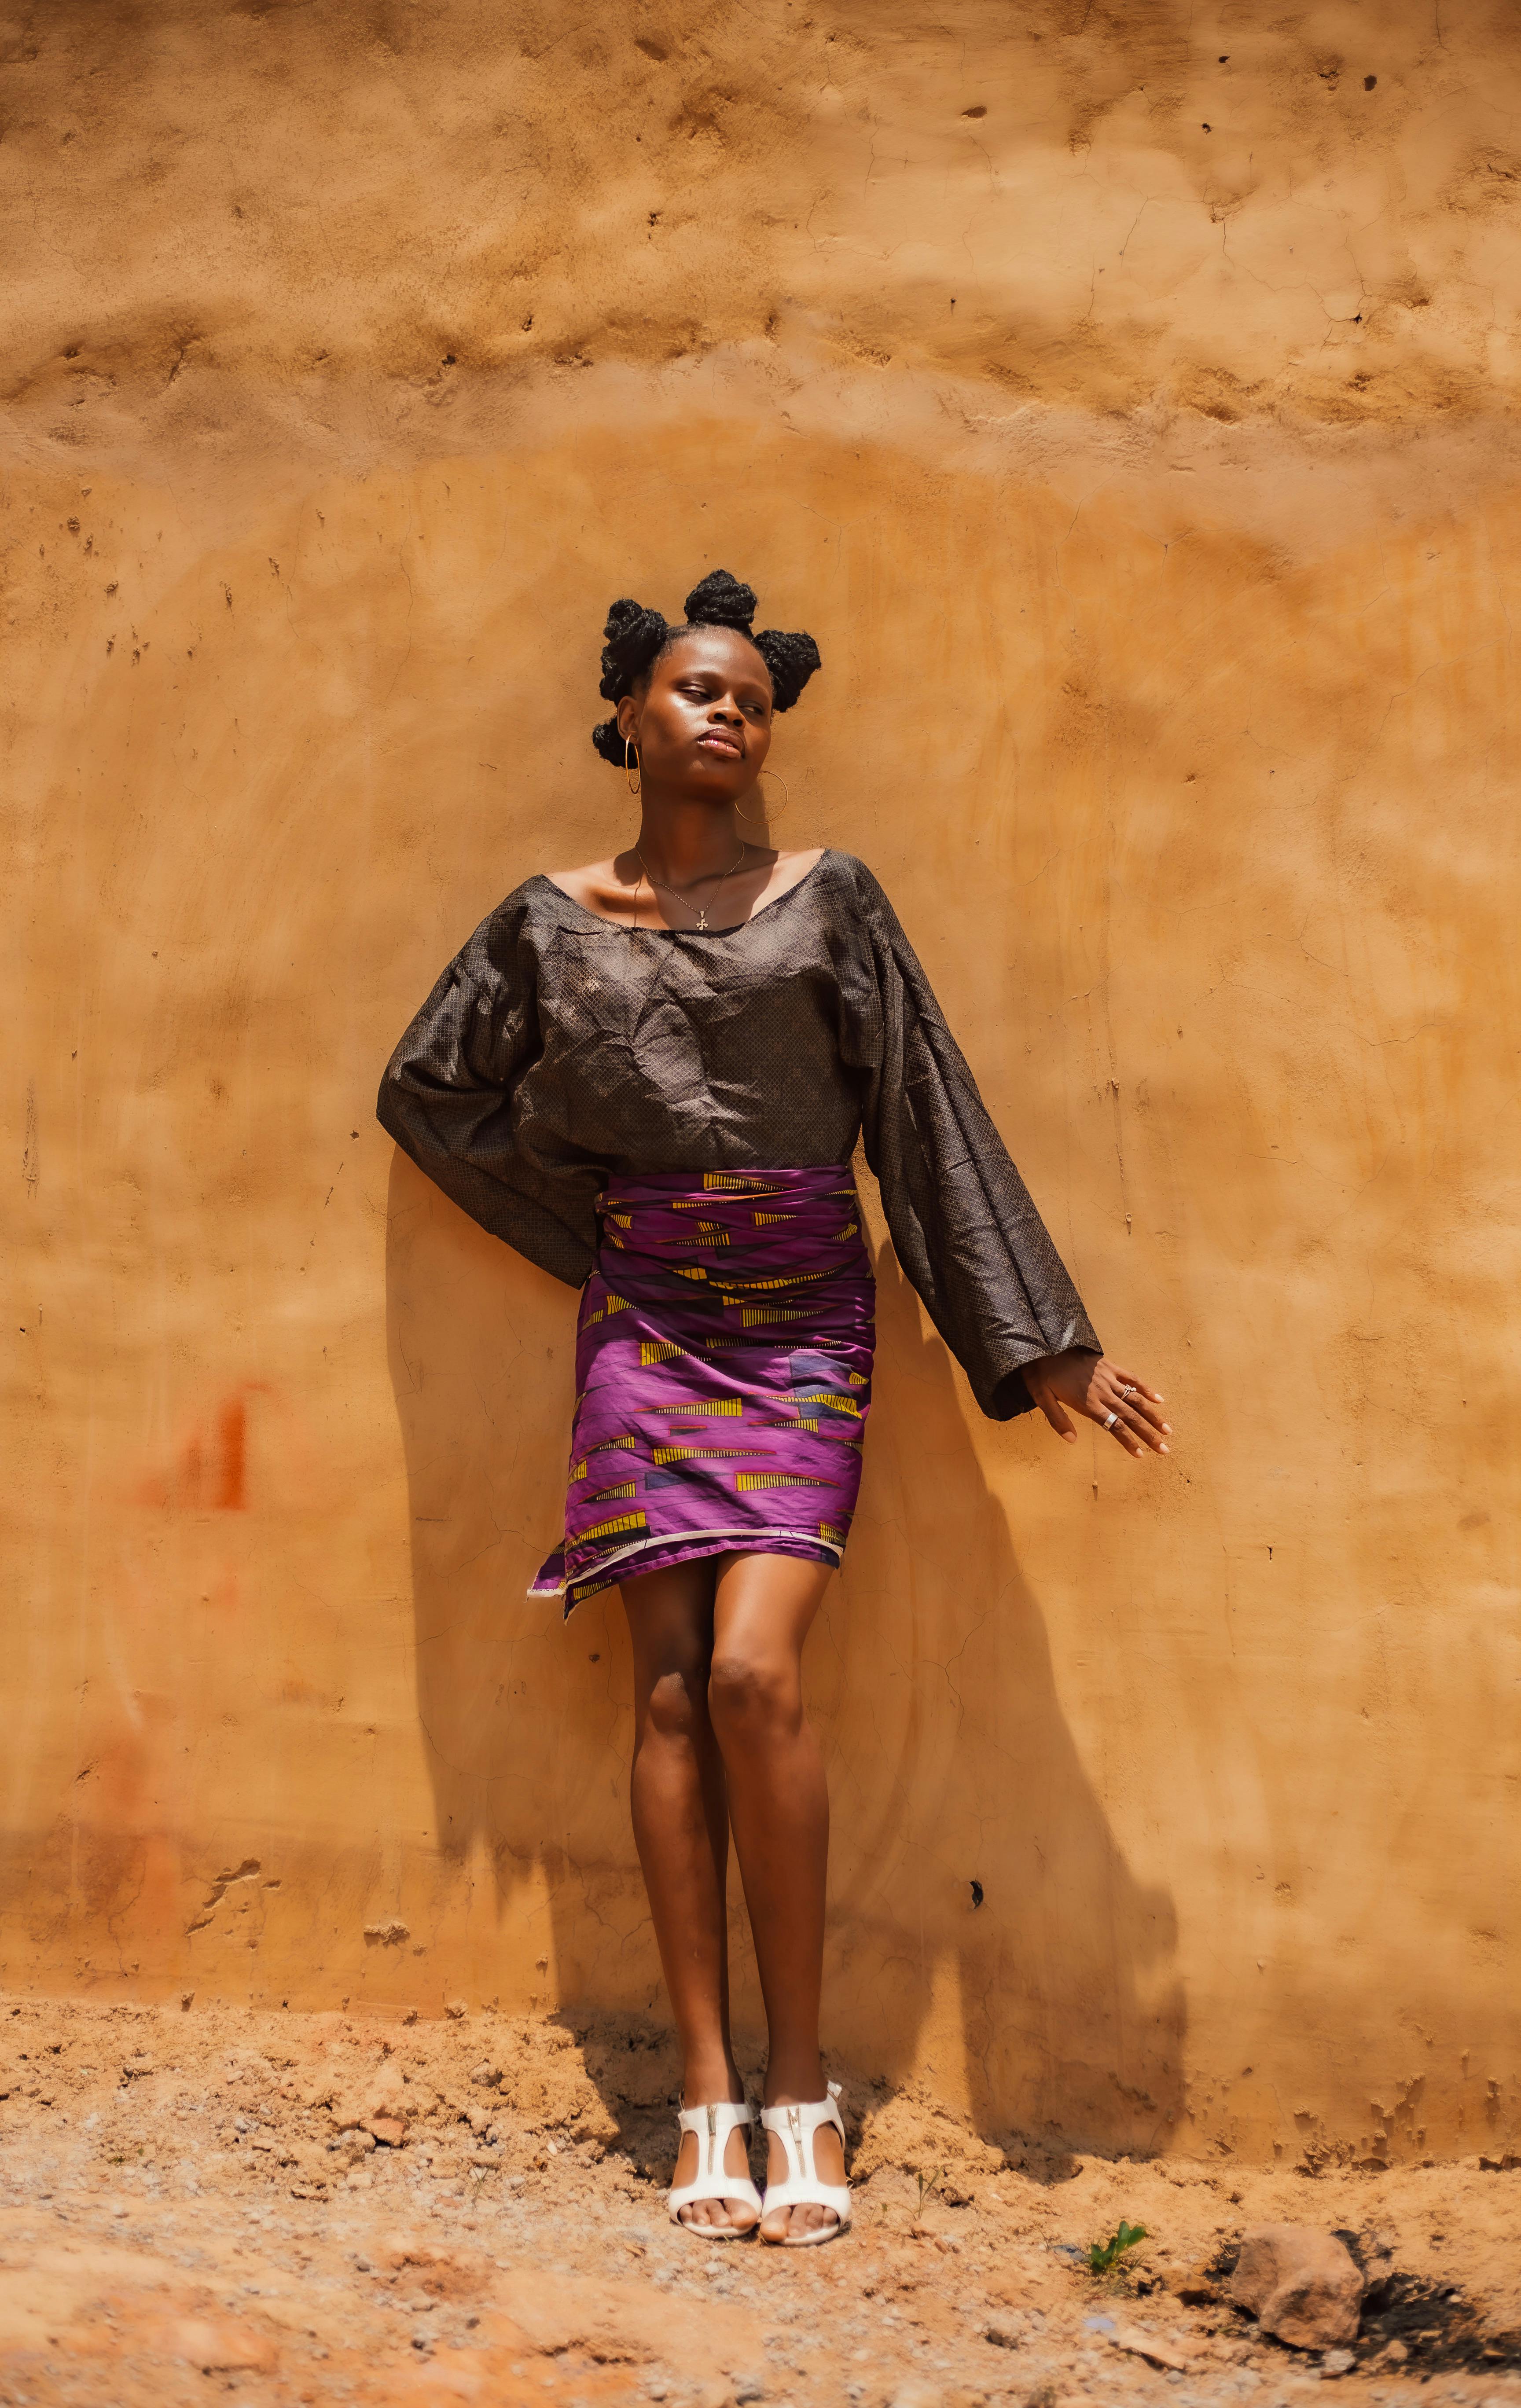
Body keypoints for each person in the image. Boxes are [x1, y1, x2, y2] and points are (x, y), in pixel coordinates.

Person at [378, 571, 1170, 2246]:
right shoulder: (545, 919)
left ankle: (805, 2085)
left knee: (752, 1672)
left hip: (806, 1320)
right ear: (631, 722)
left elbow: (923, 1114)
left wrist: (1044, 1346)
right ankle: (712, 2095)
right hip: (645, 1323)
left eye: (748, 694)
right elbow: (429, 1090)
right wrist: (587, 1224)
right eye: (693, 690)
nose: (726, 712)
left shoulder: (835, 902)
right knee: (666, 1700)